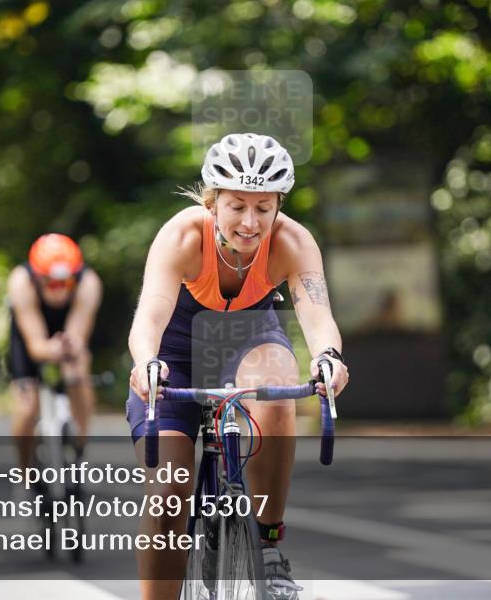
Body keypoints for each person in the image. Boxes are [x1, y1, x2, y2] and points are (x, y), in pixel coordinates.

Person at [126, 133, 350, 600]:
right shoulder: (182, 236)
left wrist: (329, 358)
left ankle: (268, 548)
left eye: (264, 208)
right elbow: (149, 315)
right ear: (212, 203)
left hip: (250, 341)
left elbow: (317, 317)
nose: (250, 222)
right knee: (168, 495)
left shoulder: (292, 241)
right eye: (237, 206)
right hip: (175, 354)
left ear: (278, 205)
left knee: (277, 391)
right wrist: (147, 362)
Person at [7, 233, 102, 477]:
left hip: (68, 331)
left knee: (78, 373)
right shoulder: (21, 282)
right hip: (31, 333)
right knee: (27, 407)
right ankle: (24, 470)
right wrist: (50, 349)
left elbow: (78, 337)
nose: (58, 291)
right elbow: (35, 346)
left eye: (65, 283)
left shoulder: (88, 283)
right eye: (51, 283)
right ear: (38, 278)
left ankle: (79, 448)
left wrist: (71, 349)